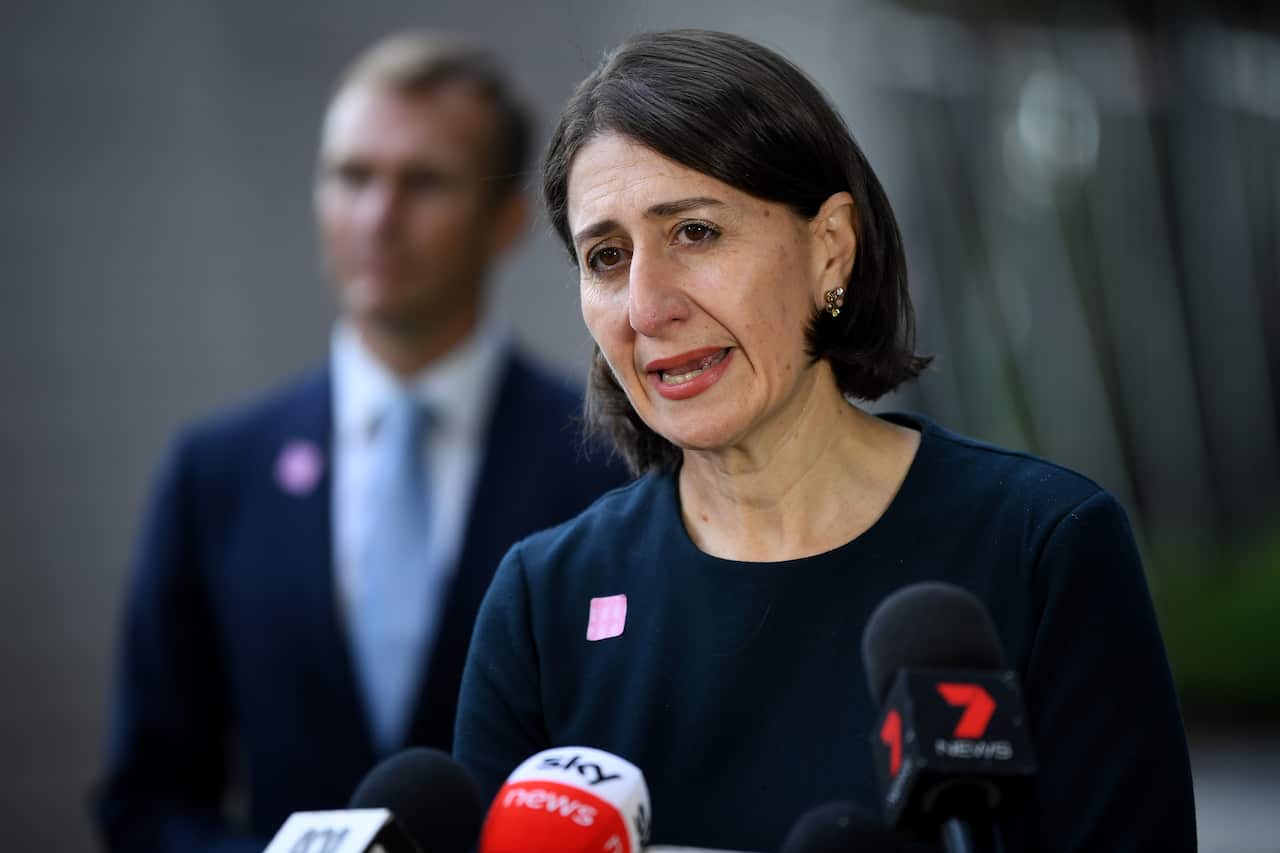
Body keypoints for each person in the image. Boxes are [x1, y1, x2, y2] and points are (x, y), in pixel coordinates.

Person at [454, 28, 1197, 852]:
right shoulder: (542, 600)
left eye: (694, 232)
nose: (646, 304)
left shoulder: (1042, 547)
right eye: (606, 255)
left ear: (830, 249)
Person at [95, 32, 628, 851]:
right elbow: (148, 796)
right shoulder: (216, 474)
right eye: (351, 177)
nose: (378, 216)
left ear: (507, 220)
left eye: (424, 182)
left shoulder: (609, 465)